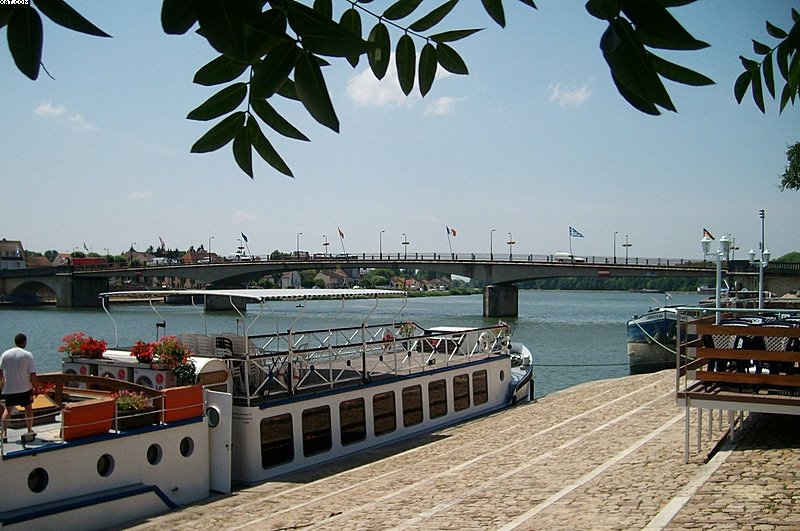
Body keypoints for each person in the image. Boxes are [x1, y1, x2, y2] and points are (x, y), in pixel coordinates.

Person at [0, 333, 38, 442]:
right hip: (25, 388)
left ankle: (4, 434)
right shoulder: (28, 355)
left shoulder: (5, 354)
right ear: (25, 342)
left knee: (8, 410)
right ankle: (29, 429)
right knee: (28, 408)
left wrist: (3, 382)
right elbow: (33, 375)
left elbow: (0, 371)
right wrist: (36, 388)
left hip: (9, 388)